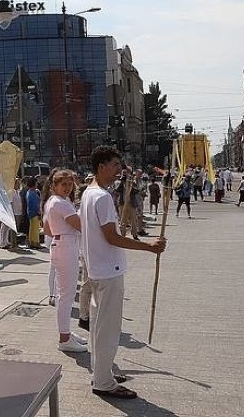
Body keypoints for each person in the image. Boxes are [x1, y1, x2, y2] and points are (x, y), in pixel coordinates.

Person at [80, 145, 166, 399]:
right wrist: (148, 247)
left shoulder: (89, 193)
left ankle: (101, 371)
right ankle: (103, 382)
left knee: (97, 325)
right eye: (116, 165)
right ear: (101, 167)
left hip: (97, 269)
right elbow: (111, 237)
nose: (120, 169)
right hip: (107, 270)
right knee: (107, 328)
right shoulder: (102, 197)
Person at [43, 169, 88, 352]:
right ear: (54, 186)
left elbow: (47, 229)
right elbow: (81, 225)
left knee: (65, 295)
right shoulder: (62, 203)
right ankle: (64, 338)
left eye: (70, 184)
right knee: (67, 296)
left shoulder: (53, 202)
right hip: (66, 246)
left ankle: (66, 333)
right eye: (63, 185)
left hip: (61, 244)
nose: (68, 188)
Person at [26, 177, 42, 249]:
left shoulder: (29, 192)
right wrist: (38, 212)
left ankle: (32, 242)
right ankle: (36, 243)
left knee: (32, 228)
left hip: (31, 212)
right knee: (35, 229)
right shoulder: (32, 193)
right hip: (35, 212)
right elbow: (35, 204)